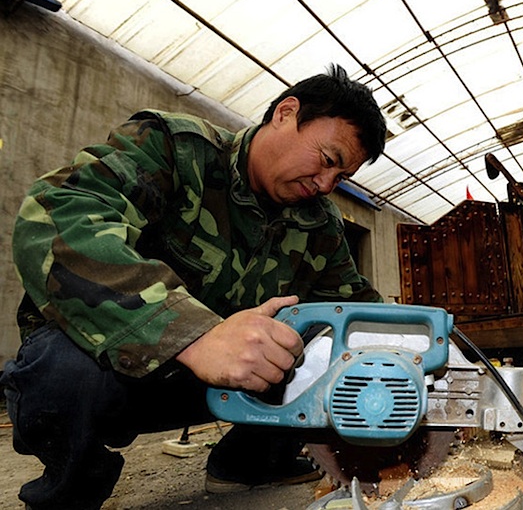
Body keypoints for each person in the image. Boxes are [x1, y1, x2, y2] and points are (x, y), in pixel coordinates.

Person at [2, 64, 387, 510]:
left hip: (229, 386)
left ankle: (248, 464)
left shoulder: (320, 222)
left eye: (340, 179)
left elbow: (356, 309)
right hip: (123, 375)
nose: (325, 184)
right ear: (286, 113)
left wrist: (424, 355)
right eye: (328, 160)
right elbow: (59, 214)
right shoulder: (174, 148)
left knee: (324, 349)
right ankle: (70, 490)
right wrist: (194, 335)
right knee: (61, 370)